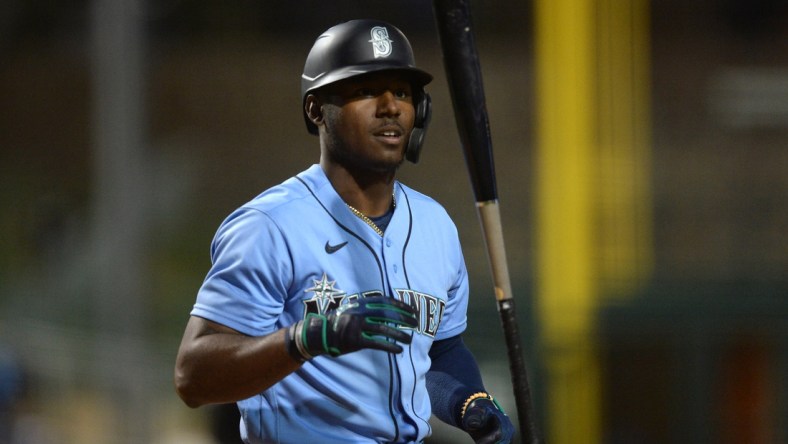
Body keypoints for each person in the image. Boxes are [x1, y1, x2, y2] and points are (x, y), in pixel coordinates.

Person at [174, 19, 514, 444]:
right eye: (367, 90)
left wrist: (470, 403)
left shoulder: (435, 225)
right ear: (316, 109)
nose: (390, 106)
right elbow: (193, 377)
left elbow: (441, 351)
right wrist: (308, 337)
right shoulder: (271, 225)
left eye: (403, 93)